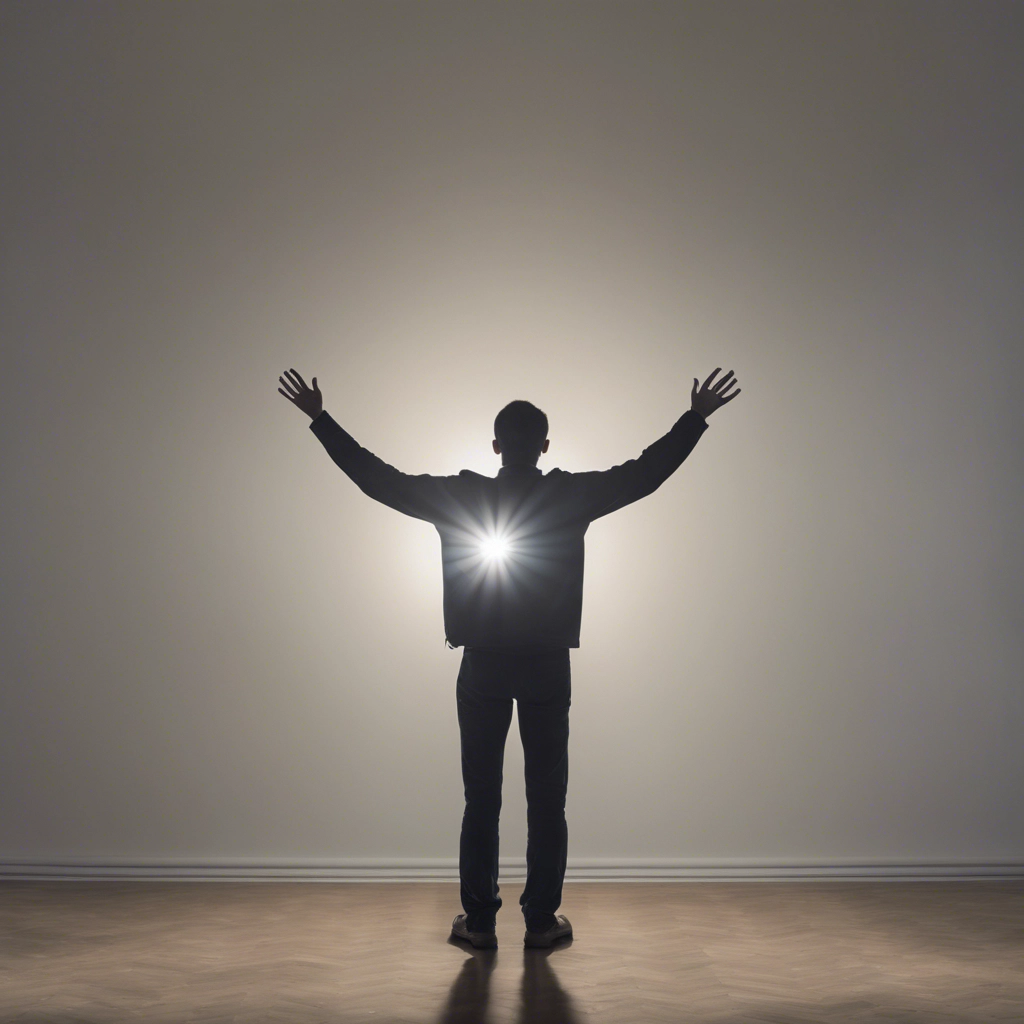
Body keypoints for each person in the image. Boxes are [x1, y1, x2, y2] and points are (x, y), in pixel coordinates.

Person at [279, 366, 740, 948]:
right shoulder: (568, 494)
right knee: (548, 800)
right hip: (547, 664)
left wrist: (321, 420)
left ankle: (478, 923)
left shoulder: (464, 494)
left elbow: (381, 480)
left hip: (484, 664)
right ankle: (542, 923)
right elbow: (644, 474)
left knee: (482, 798)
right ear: (545, 446)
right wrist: (695, 418)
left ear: (495, 445)